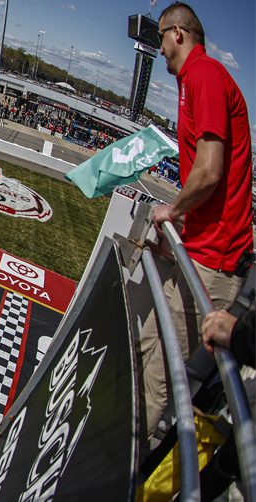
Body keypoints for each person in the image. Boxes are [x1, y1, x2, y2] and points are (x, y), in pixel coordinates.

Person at [141, 1, 254, 439]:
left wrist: (172, 211)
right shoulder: (194, 81)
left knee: (157, 384)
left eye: (161, 38)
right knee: (148, 347)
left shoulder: (204, 75)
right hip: (199, 251)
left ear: (178, 34)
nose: (160, 49)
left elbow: (208, 171)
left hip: (212, 262)